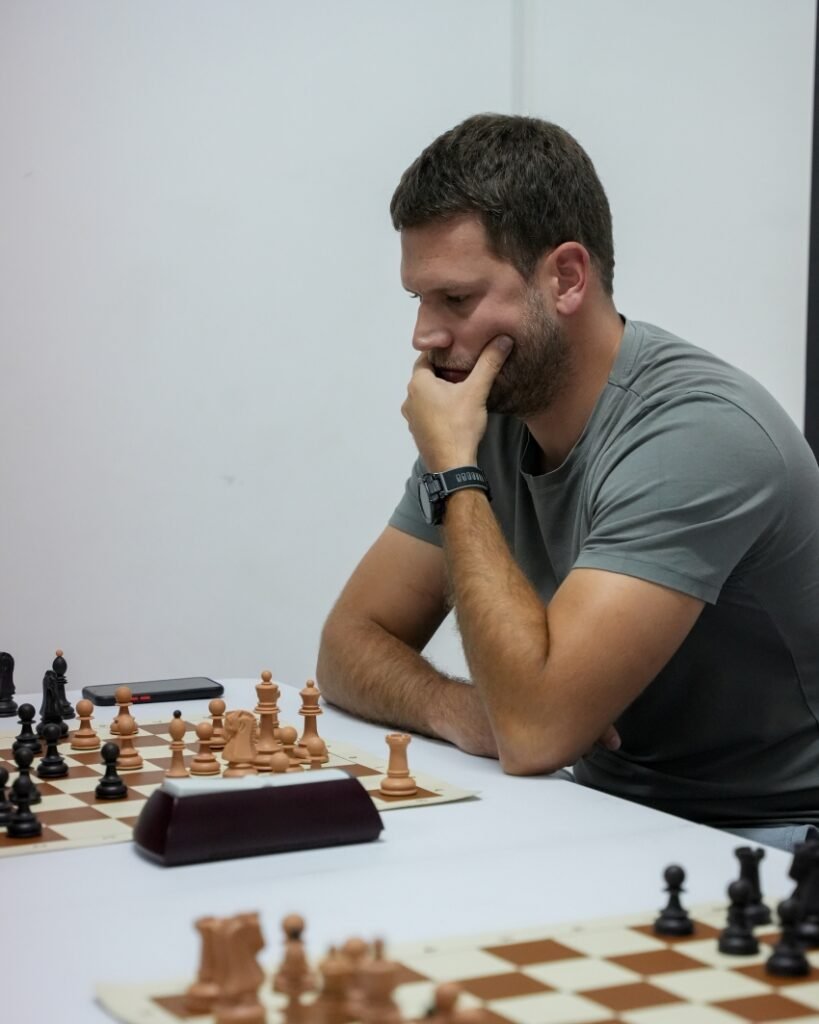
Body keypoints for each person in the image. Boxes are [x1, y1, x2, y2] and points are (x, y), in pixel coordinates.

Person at [316, 113, 819, 852]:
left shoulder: (698, 435)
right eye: (418, 299)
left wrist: (454, 472)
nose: (424, 335)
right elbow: (347, 644)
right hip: (603, 812)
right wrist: (459, 709)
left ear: (566, 278)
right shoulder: (489, 413)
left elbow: (535, 735)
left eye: (456, 299)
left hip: (770, 836)